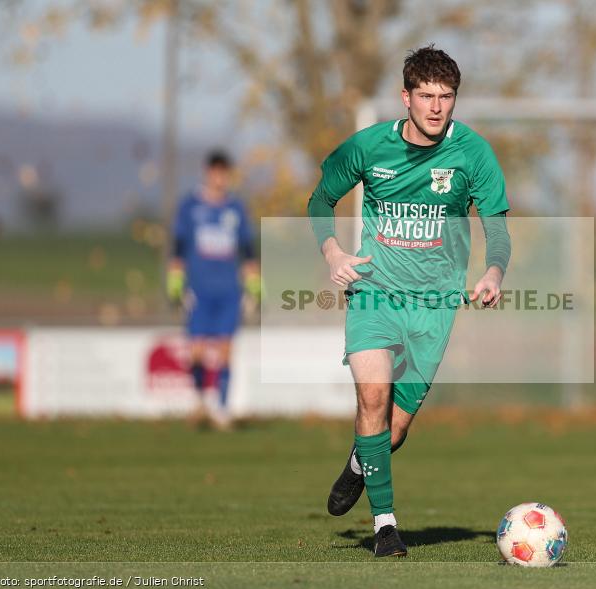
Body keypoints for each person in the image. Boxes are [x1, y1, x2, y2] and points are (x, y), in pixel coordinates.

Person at [307, 45, 512, 557]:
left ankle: (361, 461)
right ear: (406, 97)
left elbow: (498, 227)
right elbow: (319, 199)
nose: (437, 107)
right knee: (372, 398)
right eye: (426, 96)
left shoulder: (473, 154)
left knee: (392, 430)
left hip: (436, 303)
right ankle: (385, 527)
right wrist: (332, 252)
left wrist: (493, 270)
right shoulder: (368, 147)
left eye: (446, 97)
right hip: (375, 290)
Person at [168, 150, 261, 430]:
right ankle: (199, 402)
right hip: (199, 289)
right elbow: (178, 247)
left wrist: (255, 284)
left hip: (228, 290)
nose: (219, 178)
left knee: (225, 349)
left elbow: (247, 251)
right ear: (207, 172)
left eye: (224, 172)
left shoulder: (235, 209)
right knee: (196, 350)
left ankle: (221, 409)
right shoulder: (190, 207)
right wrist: (175, 280)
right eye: (215, 171)